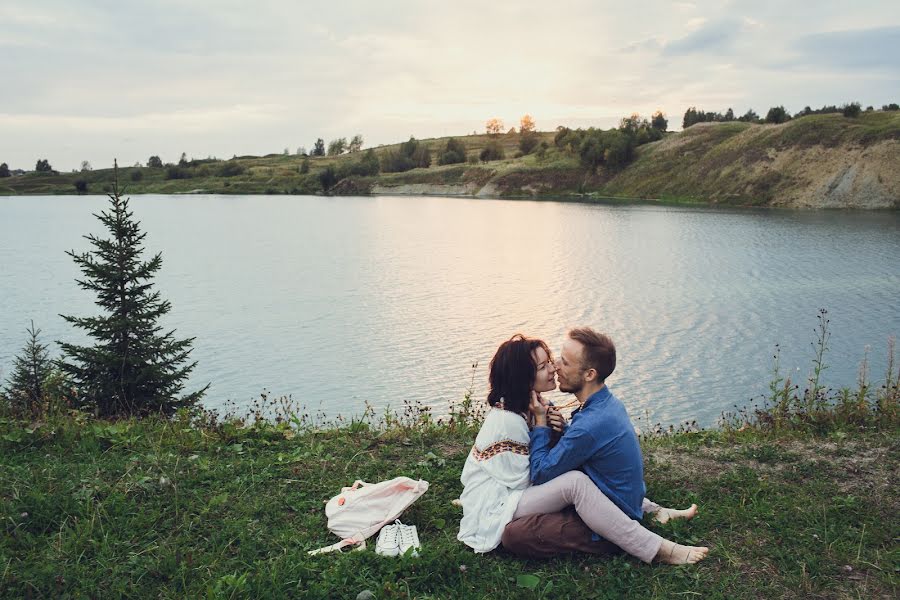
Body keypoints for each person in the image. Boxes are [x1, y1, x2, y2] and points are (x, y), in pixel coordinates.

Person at [457, 333, 708, 564]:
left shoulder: (561, 414)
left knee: (568, 488)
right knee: (570, 485)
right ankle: (645, 520)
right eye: (545, 366)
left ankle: (647, 538)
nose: (555, 368)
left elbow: (553, 466)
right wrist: (546, 430)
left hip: (528, 493)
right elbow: (533, 478)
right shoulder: (510, 419)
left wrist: (549, 431)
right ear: (523, 378)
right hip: (505, 498)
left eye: (559, 362)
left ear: (589, 374)